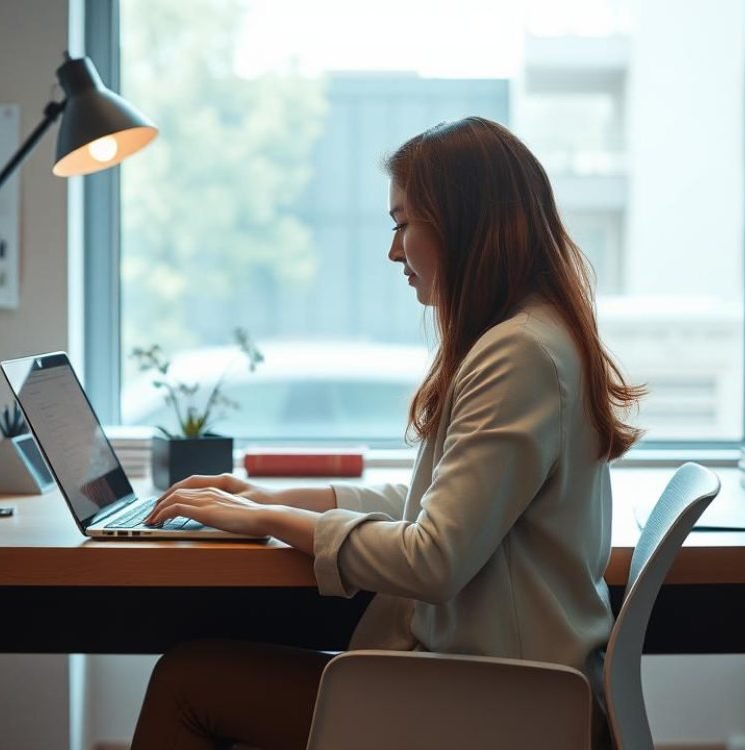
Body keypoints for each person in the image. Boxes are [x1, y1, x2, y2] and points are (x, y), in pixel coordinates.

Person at [130, 116, 643, 750]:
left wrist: (265, 520)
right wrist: (267, 499)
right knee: (202, 668)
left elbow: (432, 557)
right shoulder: (533, 335)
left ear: (461, 224)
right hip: (509, 685)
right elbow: (437, 506)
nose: (393, 251)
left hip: (504, 706)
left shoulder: (518, 354)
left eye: (403, 224)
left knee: (186, 681)